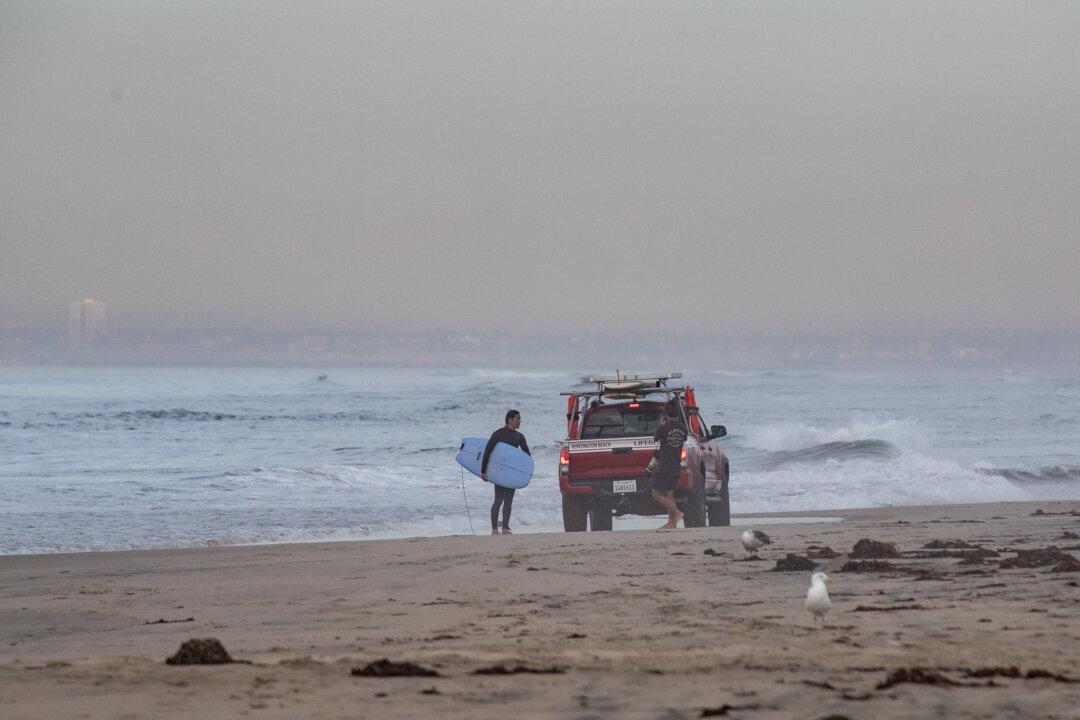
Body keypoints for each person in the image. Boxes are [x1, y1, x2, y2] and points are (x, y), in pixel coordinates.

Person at [482, 409, 530, 535]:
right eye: (518, 419)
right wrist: (484, 471)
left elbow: (527, 457)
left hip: (511, 473)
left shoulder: (520, 437)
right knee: (498, 500)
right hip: (500, 472)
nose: (520, 421)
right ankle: (494, 529)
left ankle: (505, 528)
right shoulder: (498, 434)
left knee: (509, 500)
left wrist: (523, 473)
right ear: (510, 419)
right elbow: (488, 451)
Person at [647, 399, 688, 530]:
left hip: (664, 466)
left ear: (665, 414)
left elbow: (655, 439)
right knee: (669, 494)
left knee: (656, 493)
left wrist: (661, 423)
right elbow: (682, 439)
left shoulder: (663, 428)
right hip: (676, 467)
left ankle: (677, 513)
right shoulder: (683, 428)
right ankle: (672, 523)